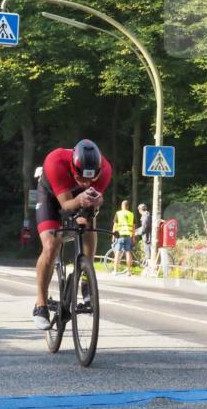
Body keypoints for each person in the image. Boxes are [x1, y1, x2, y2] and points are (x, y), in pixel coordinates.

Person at [33, 140, 112, 329]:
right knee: (52, 245)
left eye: (90, 180)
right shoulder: (55, 161)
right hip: (52, 197)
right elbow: (66, 206)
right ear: (72, 166)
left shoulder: (106, 169)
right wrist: (80, 199)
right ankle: (41, 304)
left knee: (88, 222)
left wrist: (98, 200)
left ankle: (86, 276)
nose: (86, 183)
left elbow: (92, 201)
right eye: (81, 178)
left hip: (78, 197)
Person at [112, 200, 135, 275]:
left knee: (117, 253)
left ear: (122, 206)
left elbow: (115, 225)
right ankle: (128, 271)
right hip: (128, 236)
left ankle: (115, 271)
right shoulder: (131, 214)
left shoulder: (118, 213)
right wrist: (133, 237)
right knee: (128, 253)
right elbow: (133, 227)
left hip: (119, 235)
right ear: (128, 206)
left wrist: (113, 236)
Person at [135, 202, 152, 267]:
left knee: (148, 255)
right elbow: (143, 226)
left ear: (140, 210)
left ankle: (151, 269)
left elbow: (144, 228)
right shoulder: (146, 215)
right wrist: (135, 230)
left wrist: (137, 233)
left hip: (148, 238)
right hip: (147, 237)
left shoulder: (145, 216)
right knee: (147, 253)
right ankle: (148, 268)